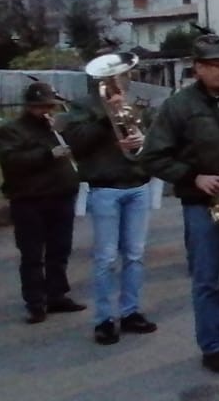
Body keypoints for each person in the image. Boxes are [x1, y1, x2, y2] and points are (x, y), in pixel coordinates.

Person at [140, 33, 219, 375]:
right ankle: (212, 345)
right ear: (197, 68)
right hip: (202, 204)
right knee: (207, 278)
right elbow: (152, 156)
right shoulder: (178, 106)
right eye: (218, 64)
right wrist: (194, 177)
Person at [64, 73, 156, 345]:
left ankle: (130, 312)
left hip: (137, 184)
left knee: (135, 254)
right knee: (105, 258)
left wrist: (141, 140)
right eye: (113, 75)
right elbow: (77, 141)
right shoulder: (83, 105)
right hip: (105, 187)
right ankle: (104, 319)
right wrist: (107, 116)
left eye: (123, 75)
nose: (120, 81)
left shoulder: (135, 103)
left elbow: (152, 136)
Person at [0, 82, 86, 324]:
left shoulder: (55, 127)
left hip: (61, 195)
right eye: (40, 107)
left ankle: (57, 295)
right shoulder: (11, 130)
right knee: (32, 253)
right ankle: (35, 302)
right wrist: (48, 154)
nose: (46, 111)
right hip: (30, 199)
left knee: (60, 250)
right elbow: (11, 161)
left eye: (49, 106)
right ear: (29, 106)